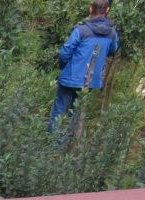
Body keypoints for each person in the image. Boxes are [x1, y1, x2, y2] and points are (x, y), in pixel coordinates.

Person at [49, 1, 120, 133]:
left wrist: (63, 67)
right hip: (91, 80)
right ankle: (66, 145)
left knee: (59, 109)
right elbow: (113, 50)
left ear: (90, 9)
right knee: (75, 112)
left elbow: (65, 52)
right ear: (107, 10)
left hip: (70, 77)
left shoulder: (81, 30)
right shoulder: (112, 34)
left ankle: (52, 145)